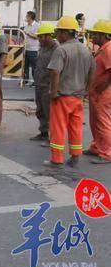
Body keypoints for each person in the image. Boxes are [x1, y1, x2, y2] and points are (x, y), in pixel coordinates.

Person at [46, 16, 95, 168]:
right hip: (78, 97)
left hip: (62, 96)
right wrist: (87, 89)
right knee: (76, 127)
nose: (57, 36)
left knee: (58, 128)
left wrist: (54, 92)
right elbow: (93, 70)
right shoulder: (85, 50)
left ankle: (56, 159)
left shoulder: (61, 50)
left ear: (66, 33)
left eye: (58, 32)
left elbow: (55, 72)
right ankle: (75, 157)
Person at [85, 20, 111, 164]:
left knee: (102, 122)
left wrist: (102, 87)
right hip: (97, 91)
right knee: (94, 121)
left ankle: (107, 152)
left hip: (103, 92)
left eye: (95, 34)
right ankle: (96, 147)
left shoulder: (109, 49)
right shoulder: (103, 48)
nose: (93, 36)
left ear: (104, 35)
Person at [30, 22, 58, 143]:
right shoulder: (42, 48)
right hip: (39, 84)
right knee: (40, 110)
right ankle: (44, 132)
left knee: (50, 112)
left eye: (41, 37)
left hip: (48, 85)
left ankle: (54, 137)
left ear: (48, 36)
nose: (39, 39)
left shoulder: (57, 50)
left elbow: (56, 71)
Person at [23, 11, 40, 85]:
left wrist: (28, 34)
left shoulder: (37, 26)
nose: (26, 18)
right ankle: (25, 80)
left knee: (34, 66)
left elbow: (37, 37)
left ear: (30, 17)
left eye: (27, 16)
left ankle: (35, 81)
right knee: (25, 66)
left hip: (34, 49)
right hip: (26, 48)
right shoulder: (26, 26)